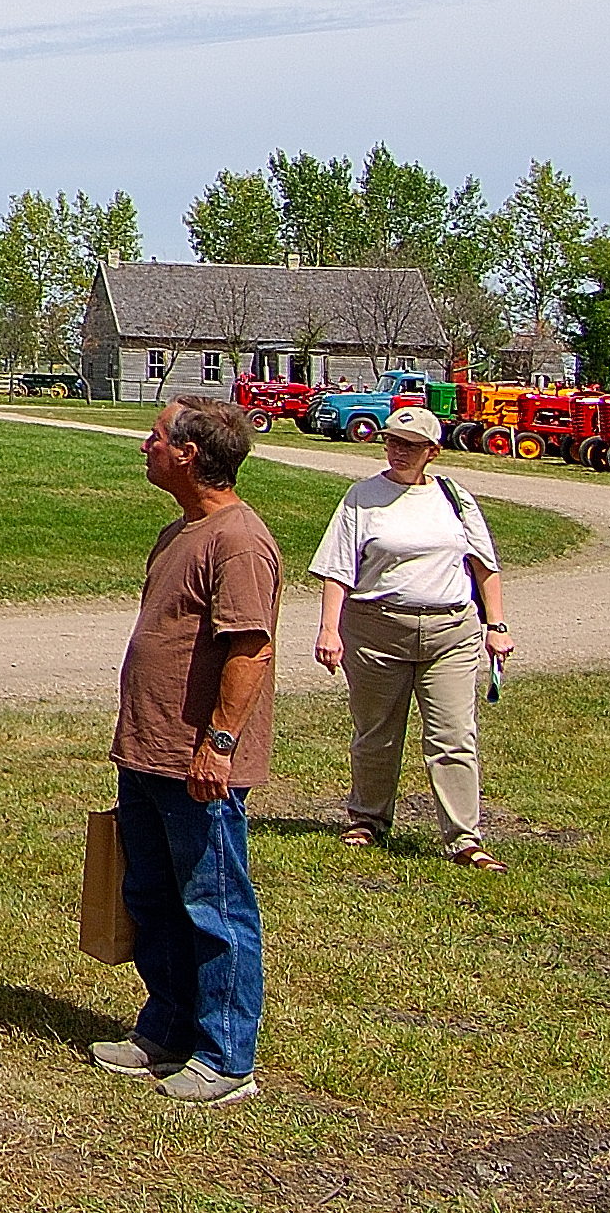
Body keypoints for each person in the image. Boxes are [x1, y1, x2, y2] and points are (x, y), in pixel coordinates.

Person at [102, 396, 279, 1105]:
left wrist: (219, 744)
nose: (143, 447)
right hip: (149, 752)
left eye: (153, 438)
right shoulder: (180, 531)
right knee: (152, 896)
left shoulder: (238, 541)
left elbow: (250, 648)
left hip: (199, 763)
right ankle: (166, 1030)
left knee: (214, 904)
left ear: (188, 453)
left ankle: (227, 1057)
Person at [311, 401, 514, 867]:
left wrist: (496, 626)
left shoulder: (454, 497)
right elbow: (337, 568)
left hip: (451, 631)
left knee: (453, 735)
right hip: (378, 629)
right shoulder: (361, 497)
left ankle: (465, 839)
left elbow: (485, 566)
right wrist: (329, 629)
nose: (398, 451)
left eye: (411, 445)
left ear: (433, 452)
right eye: (392, 442)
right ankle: (367, 820)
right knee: (377, 732)